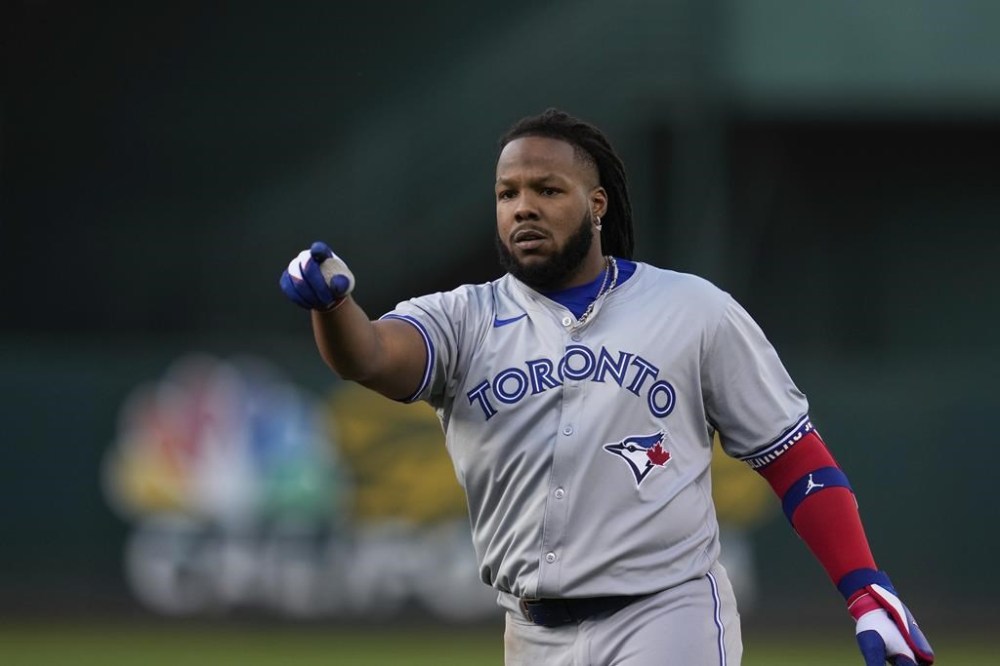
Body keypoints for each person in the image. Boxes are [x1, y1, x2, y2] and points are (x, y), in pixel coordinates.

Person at [279, 109, 934, 666]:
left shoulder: (692, 310)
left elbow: (795, 459)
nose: (524, 207)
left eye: (547, 189)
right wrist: (332, 306)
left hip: (666, 616)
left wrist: (865, 589)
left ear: (596, 205)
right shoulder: (462, 319)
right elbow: (368, 356)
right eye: (508, 193)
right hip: (530, 632)